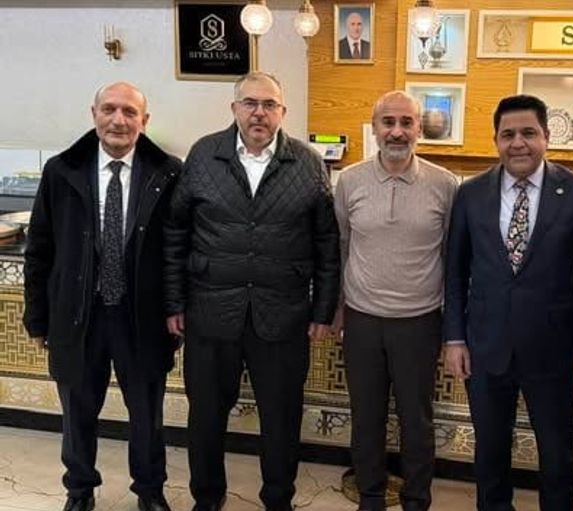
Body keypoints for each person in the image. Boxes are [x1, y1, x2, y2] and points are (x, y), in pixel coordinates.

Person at [162, 71, 339, 511]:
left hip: (283, 315)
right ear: (234, 108)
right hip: (210, 312)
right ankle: (207, 497)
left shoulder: (308, 163)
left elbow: (327, 244)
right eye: (250, 103)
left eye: (269, 104)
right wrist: (174, 301)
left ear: (283, 112)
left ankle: (278, 499)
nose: (259, 113)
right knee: (206, 415)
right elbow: (175, 234)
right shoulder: (203, 155)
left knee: (281, 417)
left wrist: (322, 310)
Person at [443, 94, 573, 511]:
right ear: (496, 140)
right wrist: (454, 339)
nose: (518, 143)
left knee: (557, 457)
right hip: (486, 348)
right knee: (490, 454)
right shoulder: (470, 193)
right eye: (508, 134)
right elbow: (454, 272)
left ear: (547, 137)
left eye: (529, 133)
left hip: (555, 351)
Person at [24, 82, 181, 511]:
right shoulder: (61, 171)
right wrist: (36, 318)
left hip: (142, 317)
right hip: (79, 314)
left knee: (147, 415)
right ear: (93, 113)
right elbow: (40, 249)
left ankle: (149, 491)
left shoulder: (168, 172)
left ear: (144, 121)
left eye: (129, 112)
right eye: (109, 109)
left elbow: (178, 250)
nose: (118, 120)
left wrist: (176, 310)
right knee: (77, 413)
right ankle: (79, 491)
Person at [333, 91, 458, 511]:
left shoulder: (444, 184)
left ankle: (416, 499)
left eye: (407, 122)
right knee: (366, 417)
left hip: (419, 321)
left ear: (420, 128)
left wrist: (452, 325)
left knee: (416, 420)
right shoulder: (349, 180)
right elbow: (341, 247)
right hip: (362, 320)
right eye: (388, 122)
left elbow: (452, 257)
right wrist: (337, 310)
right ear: (375, 128)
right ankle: (370, 497)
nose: (397, 132)